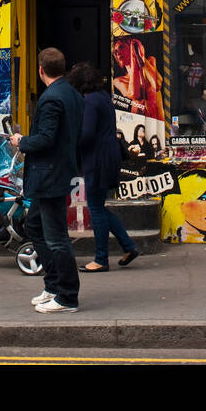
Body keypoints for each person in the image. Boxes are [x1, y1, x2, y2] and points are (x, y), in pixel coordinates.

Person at [10, 47, 85, 312]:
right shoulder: (73, 95)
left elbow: (46, 138)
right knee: (34, 226)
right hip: (58, 173)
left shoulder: (52, 98)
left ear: (41, 70)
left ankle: (67, 297)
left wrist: (22, 141)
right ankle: (53, 285)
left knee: (56, 238)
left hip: (50, 175)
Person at [68, 62, 139, 273]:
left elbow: (87, 133)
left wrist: (71, 143)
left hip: (97, 159)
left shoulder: (90, 102)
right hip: (109, 156)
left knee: (96, 208)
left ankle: (101, 259)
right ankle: (128, 246)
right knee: (100, 205)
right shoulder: (103, 98)